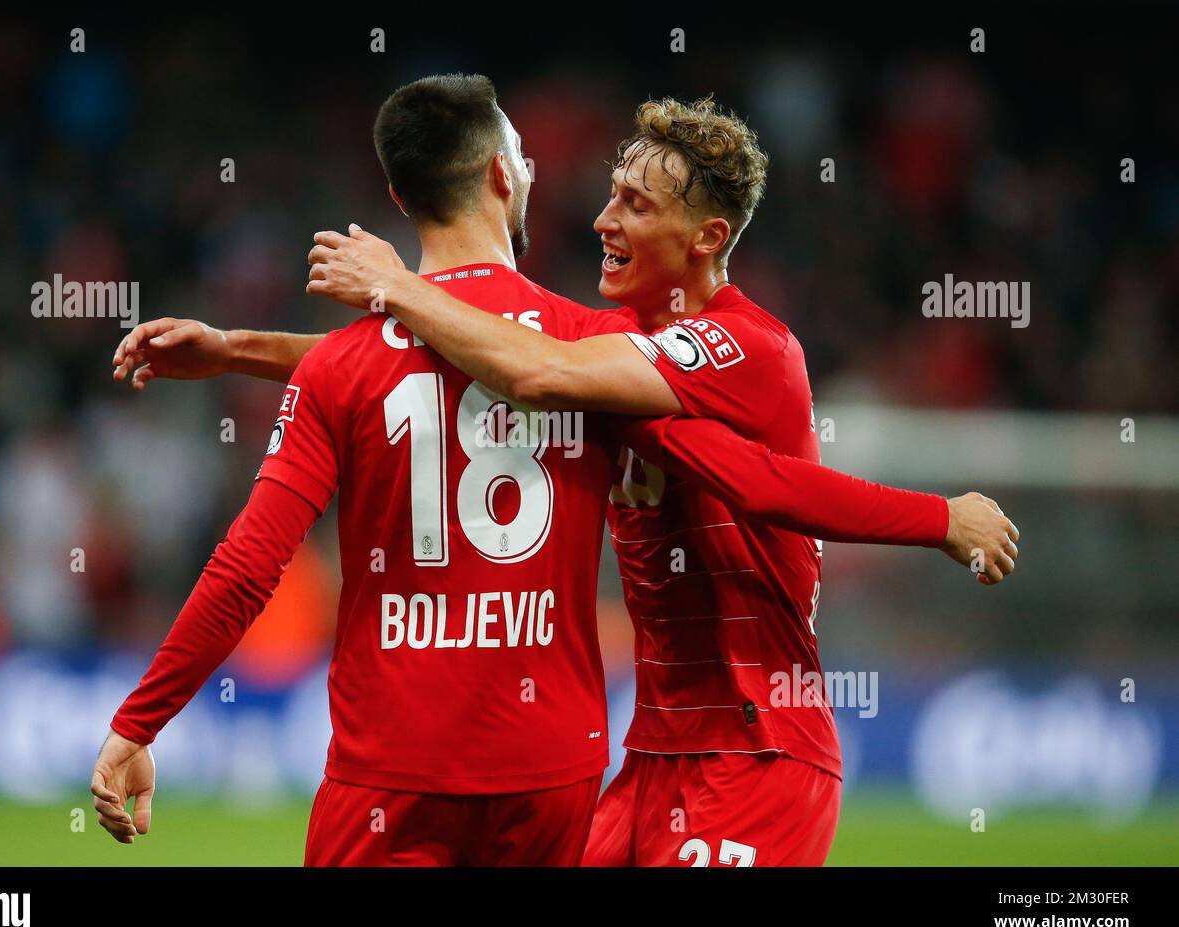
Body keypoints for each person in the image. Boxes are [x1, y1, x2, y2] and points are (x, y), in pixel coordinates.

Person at [102, 77, 1018, 866]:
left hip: (757, 747)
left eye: (634, 205)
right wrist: (240, 348)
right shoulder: (607, 354)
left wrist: (940, 519)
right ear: (502, 176)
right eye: (609, 194)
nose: (600, 217)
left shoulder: (740, 348)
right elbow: (451, 367)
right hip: (632, 753)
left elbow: (753, 479)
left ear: (705, 236)